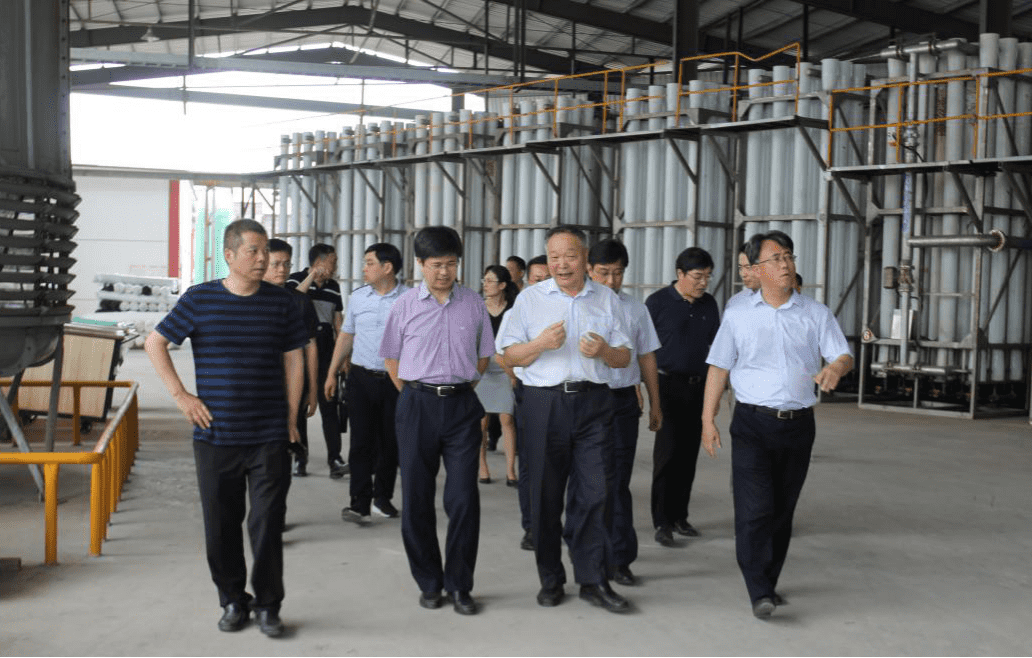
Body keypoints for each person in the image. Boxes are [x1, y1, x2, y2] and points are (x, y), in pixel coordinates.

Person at [144, 219, 307, 638]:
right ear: (229, 255)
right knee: (221, 526)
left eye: (265, 250)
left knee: (267, 524)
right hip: (216, 435)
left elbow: (294, 358)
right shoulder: (200, 299)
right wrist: (182, 396)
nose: (263, 259)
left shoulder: (281, 302)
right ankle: (233, 599)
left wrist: (291, 417)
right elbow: (155, 342)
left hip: (269, 433)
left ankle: (269, 605)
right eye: (254, 251)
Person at [701, 230, 853, 619]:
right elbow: (719, 367)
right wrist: (707, 419)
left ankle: (768, 580)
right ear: (756, 269)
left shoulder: (815, 313)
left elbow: (842, 354)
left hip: (799, 425)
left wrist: (836, 368)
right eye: (776, 258)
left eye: (788, 256)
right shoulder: (738, 314)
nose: (785, 264)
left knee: (782, 510)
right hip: (752, 423)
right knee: (754, 509)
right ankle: (759, 589)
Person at [498, 225, 633, 614]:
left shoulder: (606, 299)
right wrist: (541, 344)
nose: (561, 264)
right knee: (544, 494)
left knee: (596, 493)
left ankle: (593, 580)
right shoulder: (530, 299)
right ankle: (551, 578)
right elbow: (508, 355)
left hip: (595, 403)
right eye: (553, 257)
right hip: (544, 403)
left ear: (585, 258)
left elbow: (624, 357)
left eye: (569, 256)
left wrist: (605, 350)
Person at [379, 226, 495, 616]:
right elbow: (391, 359)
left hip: (462, 407)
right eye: (436, 265)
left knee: (463, 499)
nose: (444, 272)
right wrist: (416, 393)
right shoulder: (404, 305)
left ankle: (460, 585)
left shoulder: (473, 303)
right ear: (420, 264)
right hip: (417, 405)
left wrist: (457, 387)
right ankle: (429, 582)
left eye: (450, 264)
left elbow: (483, 356)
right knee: (416, 498)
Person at [586, 239, 661, 587]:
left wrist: (655, 402)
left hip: (621, 403)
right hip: (584, 400)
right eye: (604, 273)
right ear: (589, 270)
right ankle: (587, 552)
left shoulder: (635, 309)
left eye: (618, 273)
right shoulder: (576, 304)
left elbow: (646, 356)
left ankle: (619, 558)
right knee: (587, 481)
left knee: (617, 483)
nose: (612, 281)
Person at [325, 243, 409, 524]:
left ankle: (382, 498)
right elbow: (346, 335)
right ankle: (359, 503)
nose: (364, 268)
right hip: (361, 378)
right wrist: (331, 372)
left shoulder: (410, 299)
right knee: (360, 442)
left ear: (387, 267)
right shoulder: (359, 297)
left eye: (369, 263)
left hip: (395, 381)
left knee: (390, 442)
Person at [645, 247, 720, 548]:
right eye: (698, 276)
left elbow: (716, 346)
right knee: (667, 455)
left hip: (699, 387)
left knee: (688, 455)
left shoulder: (709, 304)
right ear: (680, 274)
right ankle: (662, 521)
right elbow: (644, 349)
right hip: (667, 386)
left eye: (708, 277)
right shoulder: (657, 302)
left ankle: (680, 516)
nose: (704, 283)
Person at [287, 243, 348, 479]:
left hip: (327, 349)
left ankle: (335, 459)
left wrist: (343, 356)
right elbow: (293, 300)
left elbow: (338, 321)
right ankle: (300, 458)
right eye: (332, 262)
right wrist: (312, 276)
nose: (335, 266)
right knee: (301, 404)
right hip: (300, 349)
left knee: (329, 404)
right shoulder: (295, 279)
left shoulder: (334, 287)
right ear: (319, 261)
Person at [265, 239, 318, 477]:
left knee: (295, 422)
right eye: (276, 264)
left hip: (292, 379)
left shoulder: (300, 301)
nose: (282, 270)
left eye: (286, 264)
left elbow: (310, 348)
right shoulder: (249, 299)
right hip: (261, 385)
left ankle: (299, 457)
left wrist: (313, 389)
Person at [476, 265, 519, 486]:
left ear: (502, 285)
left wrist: (513, 371)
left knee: (507, 419)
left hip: (505, 368)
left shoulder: (513, 309)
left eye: (490, 280)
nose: (485, 284)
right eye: (484, 280)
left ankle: (511, 470)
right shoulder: (477, 308)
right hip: (481, 368)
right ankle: (483, 467)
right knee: (481, 421)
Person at [725, 243, 761, 311]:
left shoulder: (780, 303)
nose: (743, 274)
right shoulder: (734, 302)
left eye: (748, 267)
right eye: (740, 268)